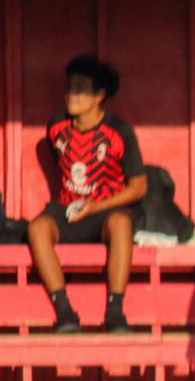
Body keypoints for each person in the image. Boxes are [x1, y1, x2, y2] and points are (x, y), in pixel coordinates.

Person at [27, 55, 146, 334]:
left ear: (99, 96)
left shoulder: (119, 131)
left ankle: (115, 313)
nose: (72, 95)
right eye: (70, 88)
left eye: (81, 88)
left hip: (103, 210)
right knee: (37, 228)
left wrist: (95, 207)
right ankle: (65, 312)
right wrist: (79, 205)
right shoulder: (56, 128)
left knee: (121, 224)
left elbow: (139, 186)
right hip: (70, 208)